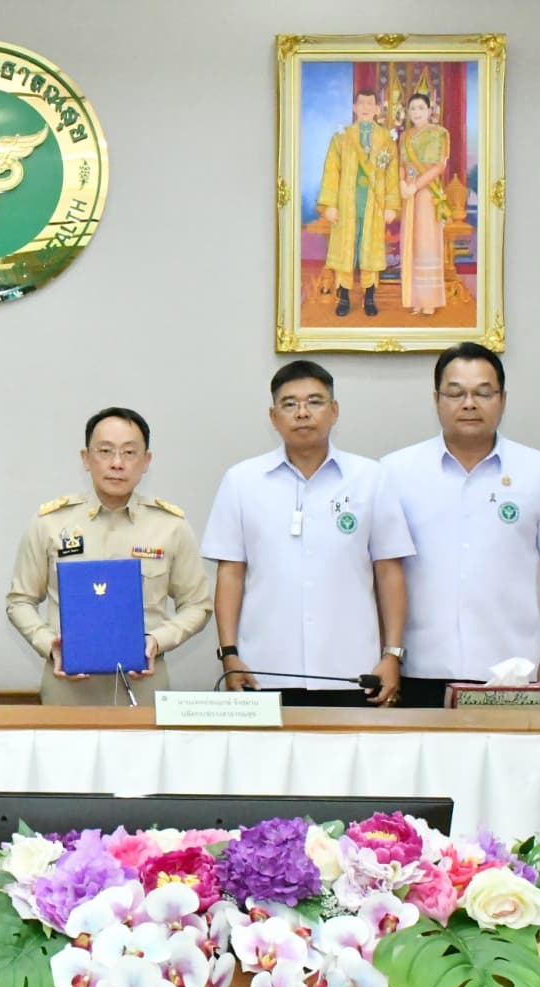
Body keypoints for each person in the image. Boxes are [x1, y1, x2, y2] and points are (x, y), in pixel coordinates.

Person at [380, 343, 540, 708]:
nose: (469, 403)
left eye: (483, 393)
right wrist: (388, 653)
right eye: (455, 393)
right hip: (419, 667)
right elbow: (381, 569)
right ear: (436, 399)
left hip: (511, 669)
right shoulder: (394, 472)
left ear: (503, 399)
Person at [202, 360, 414, 705]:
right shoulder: (241, 481)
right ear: (273, 417)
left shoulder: (370, 478)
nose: (303, 413)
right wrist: (229, 653)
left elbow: (389, 573)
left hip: (352, 671)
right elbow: (230, 574)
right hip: (262, 670)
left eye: (315, 402)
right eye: (290, 404)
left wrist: (392, 655)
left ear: (334, 411)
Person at [5, 407, 212, 704]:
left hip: (145, 689)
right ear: (86, 459)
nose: (117, 463)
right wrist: (49, 643)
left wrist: (157, 641)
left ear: (146, 462)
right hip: (67, 690)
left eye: (129, 453)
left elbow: (197, 605)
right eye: (105, 451)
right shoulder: (50, 523)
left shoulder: (171, 527)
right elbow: (19, 600)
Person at [317, 87, 401, 318]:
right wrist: (330, 204)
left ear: (377, 108)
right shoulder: (342, 138)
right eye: (361, 103)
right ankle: (343, 296)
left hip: (374, 204)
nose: (365, 108)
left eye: (370, 104)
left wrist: (392, 206)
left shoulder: (386, 139)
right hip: (346, 204)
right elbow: (331, 172)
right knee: (346, 249)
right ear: (354, 108)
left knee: (370, 251)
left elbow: (392, 175)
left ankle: (369, 297)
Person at [398, 92, 450, 316]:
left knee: (427, 243)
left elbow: (438, 166)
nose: (416, 112)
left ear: (430, 110)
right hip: (408, 194)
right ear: (407, 113)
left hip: (427, 192)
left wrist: (415, 185)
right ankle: (415, 298)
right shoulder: (405, 136)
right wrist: (402, 183)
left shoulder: (440, 133)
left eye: (421, 108)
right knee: (411, 244)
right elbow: (401, 163)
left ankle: (430, 299)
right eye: (412, 109)